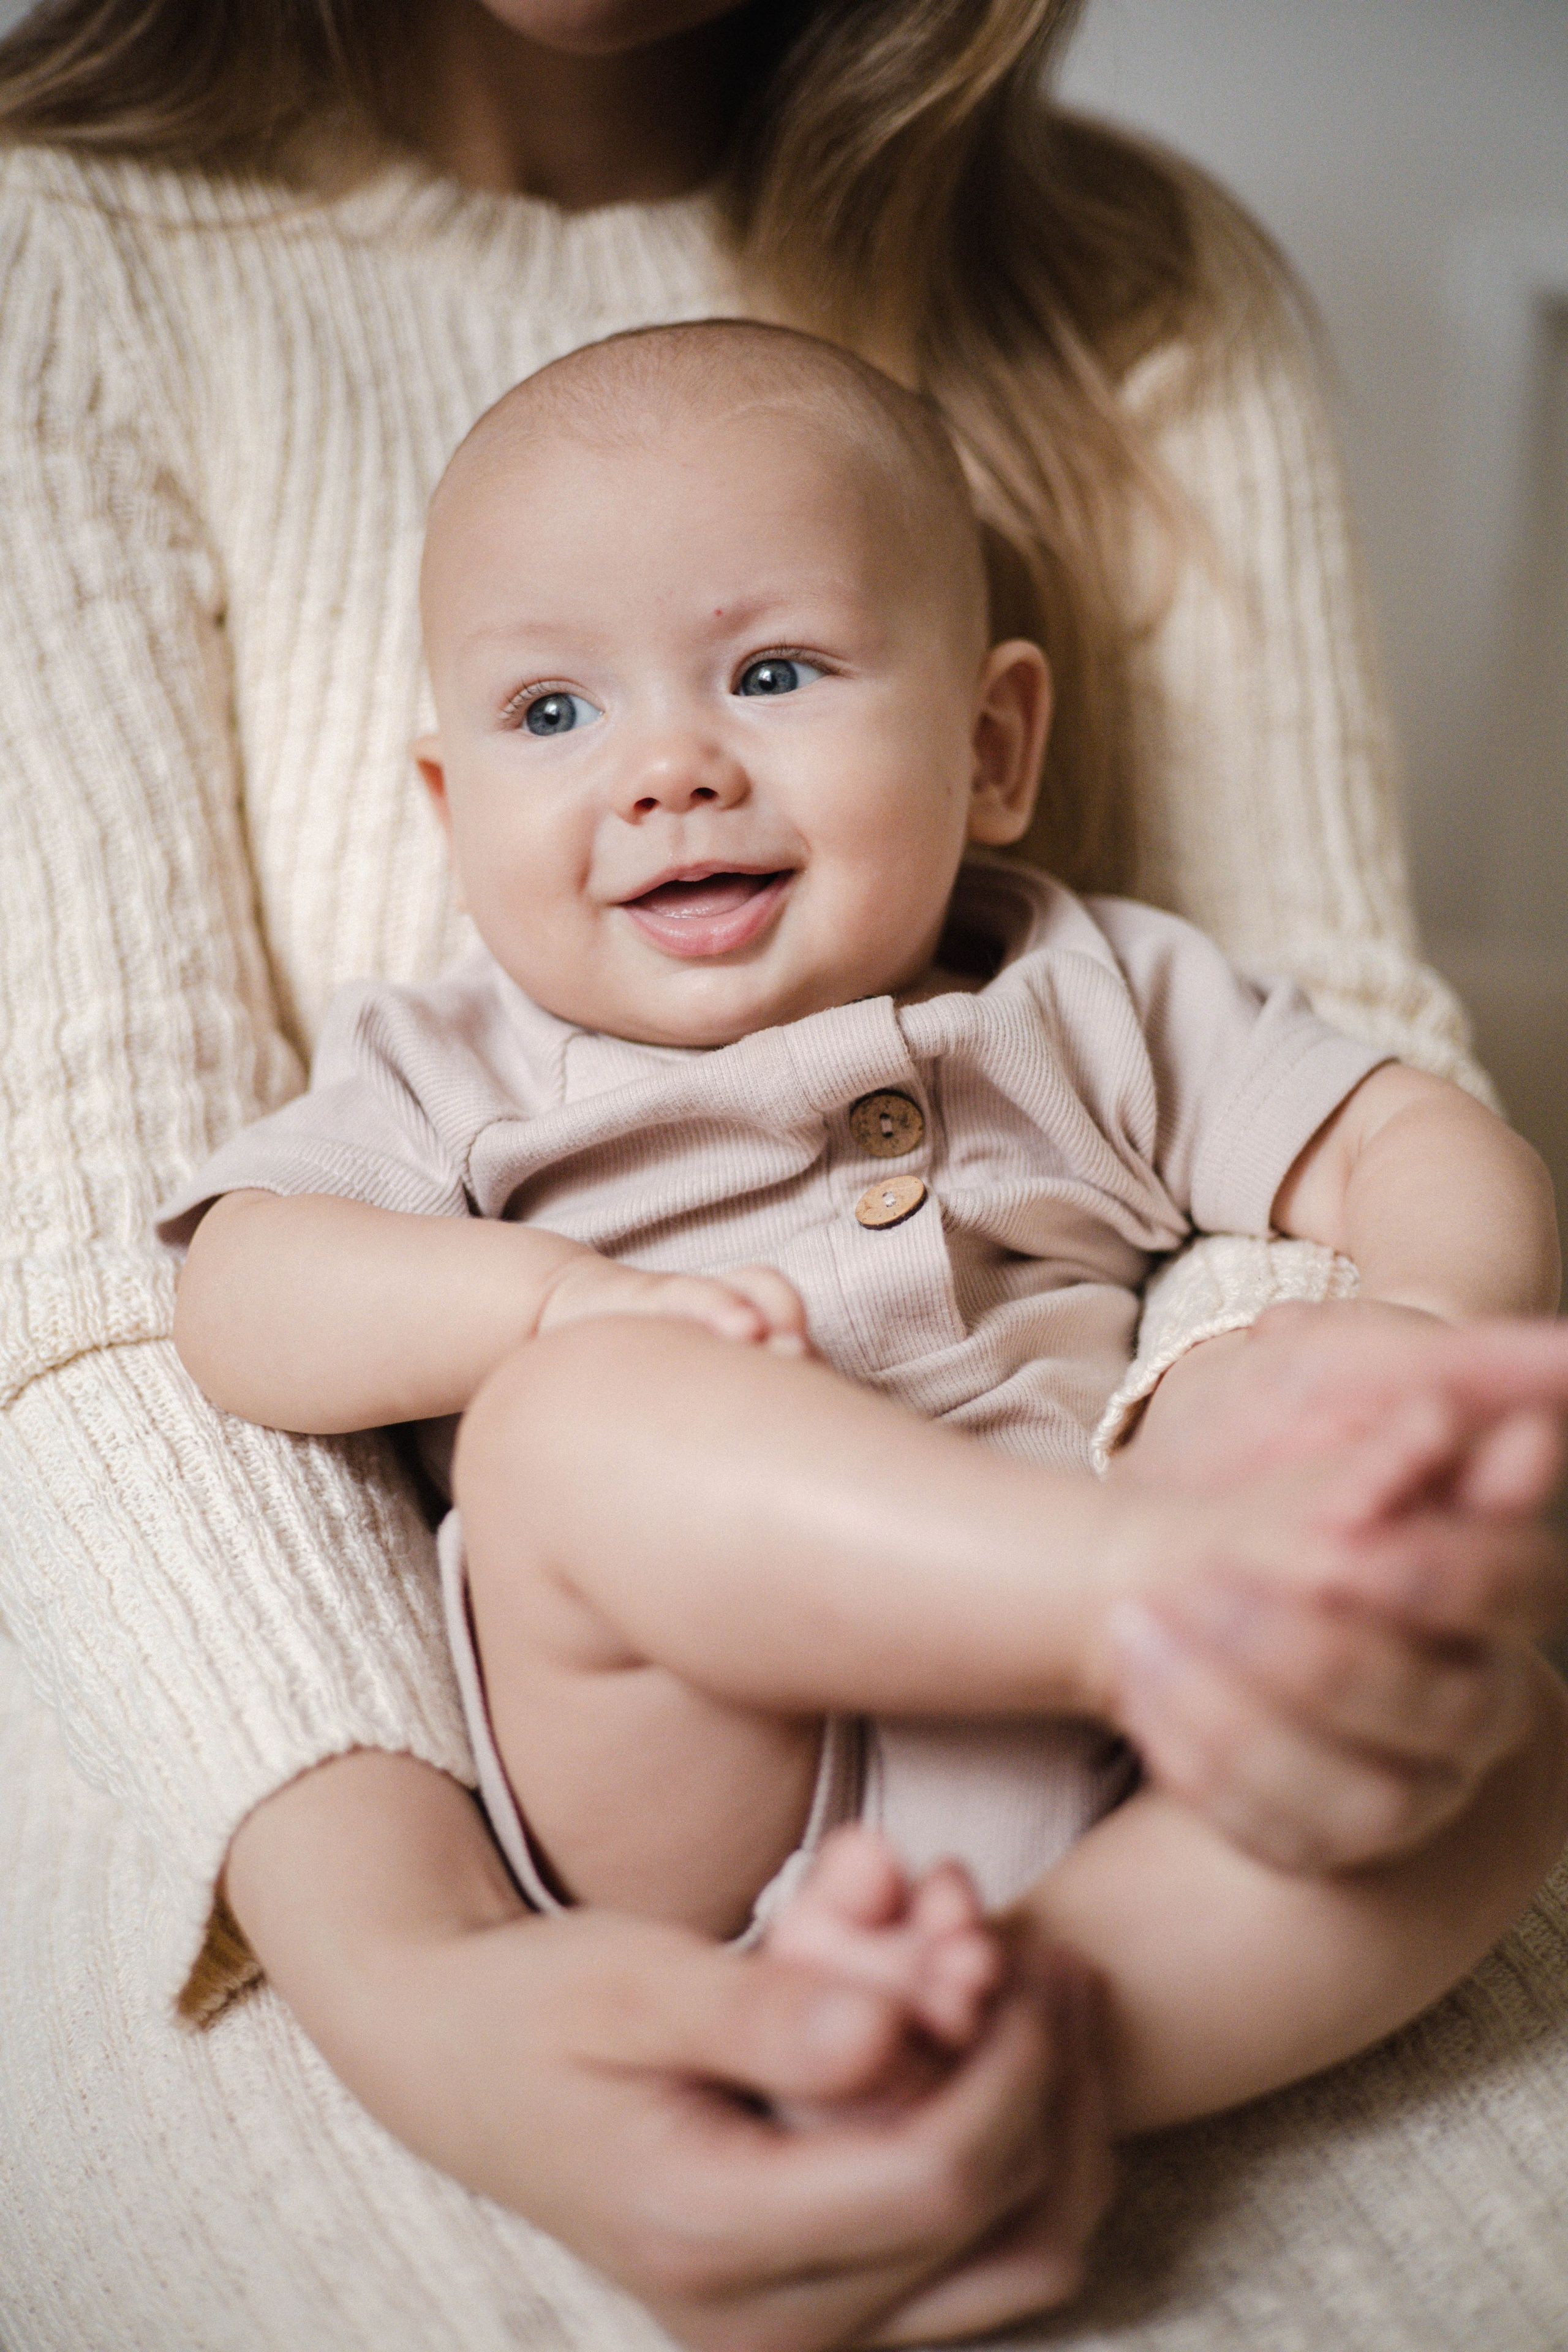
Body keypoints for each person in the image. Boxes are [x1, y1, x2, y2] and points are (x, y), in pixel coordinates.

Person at [1, 6, 1565, 2350]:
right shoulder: (461, 1067)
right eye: (555, 716)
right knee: (583, 1429)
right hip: (682, 1773)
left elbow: (1393, 1143)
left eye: (778, 672)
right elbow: (215, 1301)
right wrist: (525, 1311)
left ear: (997, 743)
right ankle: (1152, 1594)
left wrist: (1413, 1391)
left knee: (1501, 1739)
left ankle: (1030, 2033)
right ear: (448, 815)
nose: (665, 778)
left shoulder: (1093, 984)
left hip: (1141, 1770)